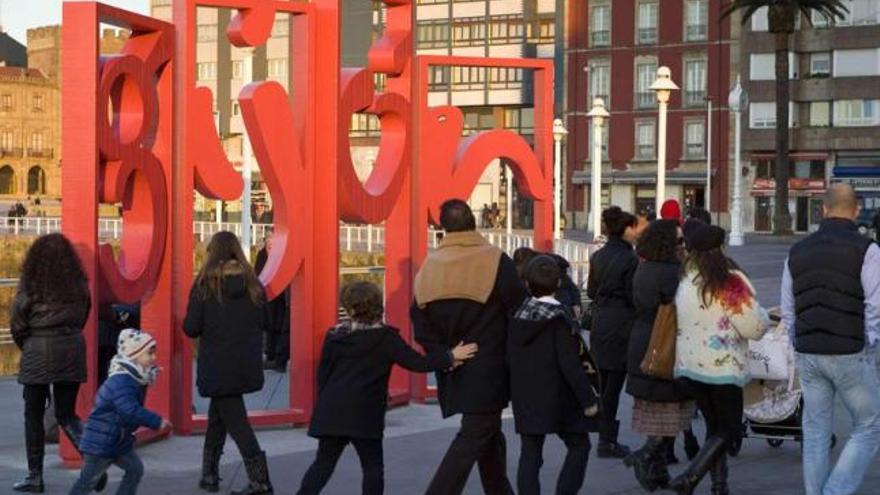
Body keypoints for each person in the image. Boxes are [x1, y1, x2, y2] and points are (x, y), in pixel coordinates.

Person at [297, 282, 478, 495]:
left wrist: (323, 406)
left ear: (348, 307)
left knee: (323, 465)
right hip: (365, 413)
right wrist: (449, 357)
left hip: (332, 409)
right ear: (377, 305)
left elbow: (323, 375)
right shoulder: (386, 338)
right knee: (372, 467)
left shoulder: (335, 335)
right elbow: (416, 363)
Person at [411, 198, 527, 495]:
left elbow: (419, 322)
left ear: (443, 227)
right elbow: (519, 307)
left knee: (486, 434)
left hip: (454, 364)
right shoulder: (495, 259)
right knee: (474, 435)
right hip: (490, 364)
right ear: (473, 222)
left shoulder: (429, 266)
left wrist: (445, 355)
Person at [782, 183, 880, 495]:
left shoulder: (797, 250)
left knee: (815, 431)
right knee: (870, 425)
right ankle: (835, 491)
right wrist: (870, 340)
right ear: (856, 210)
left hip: (810, 352)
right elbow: (875, 303)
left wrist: (797, 340)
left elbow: (788, 306)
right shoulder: (868, 249)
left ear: (823, 209)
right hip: (850, 349)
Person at [669, 224, 769, 495]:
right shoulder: (728, 281)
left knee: (715, 427)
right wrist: (765, 319)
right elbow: (752, 326)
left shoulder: (687, 278)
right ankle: (690, 477)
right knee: (730, 429)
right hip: (723, 366)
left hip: (690, 366)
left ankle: (719, 484)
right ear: (721, 248)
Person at [184, 231, 273, 495]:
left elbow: (191, 328)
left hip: (217, 364)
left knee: (237, 423)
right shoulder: (254, 285)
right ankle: (209, 475)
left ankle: (261, 482)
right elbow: (266, 322)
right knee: (218, 417)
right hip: (244, 364)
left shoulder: (204, 285)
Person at [10, 233, 99, 493]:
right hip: (71, 349)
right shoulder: (79, 285)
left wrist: (28, 345)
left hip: (37, 349)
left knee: (33, 415)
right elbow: (84, 315)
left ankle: (35, 477)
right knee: (66, 414)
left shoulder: (31, 285)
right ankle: (94, 464)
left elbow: (18, 323)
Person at [509, 255, 600, 495]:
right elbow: (571, 364)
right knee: (579, 445)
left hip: (526, 396)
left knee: (530, 454)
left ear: (527, 284)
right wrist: (588, 400)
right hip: (560, 396)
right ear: (559, 284)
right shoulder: (560, 320)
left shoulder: (517, 316)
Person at [623, 220, 695, 491]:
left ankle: (657, 469)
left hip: (643, 341)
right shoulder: (674, 273)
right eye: (679, 242)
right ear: (669, 245)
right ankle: (646, 456)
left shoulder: (643, 269)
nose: (683, 246)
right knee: (671, 409)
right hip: (666, 344)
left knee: (660, 408)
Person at [69, 329, 170, 495]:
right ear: (133, 355)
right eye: (149, 354)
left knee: (135, 469)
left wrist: (148, 376)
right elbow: (130, 410)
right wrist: (157, 421)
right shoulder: (121, 381)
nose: (154, 358)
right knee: (86, 483)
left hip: (117, 441)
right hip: (100, 444)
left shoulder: (134, 378)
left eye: (154, 353)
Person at [586, 206, 639, 458]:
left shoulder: (598, 256)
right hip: (621, 323)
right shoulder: (630, 258)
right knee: (613, 385)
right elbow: (633, 295)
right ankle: (607, 440)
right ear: (625, 229)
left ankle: (604, 436)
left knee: (603, 381)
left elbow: (590, 292)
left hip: (600, 321)